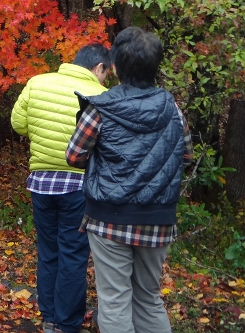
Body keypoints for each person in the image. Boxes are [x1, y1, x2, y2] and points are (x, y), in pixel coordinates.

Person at [66, 27, 193, 333]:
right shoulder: (172, 108)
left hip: (108, 218)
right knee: (149, 298)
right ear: (155, 67)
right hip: (158, 218)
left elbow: (73, 155)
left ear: (116, 66)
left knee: (114, 299)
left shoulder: (101, 107)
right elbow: (186, 157)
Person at [10, 43, 110, 333]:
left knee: (48, 250)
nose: (106, 79)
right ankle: (67, 324)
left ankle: (50, 316)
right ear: (98, 67)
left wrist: (41, 133)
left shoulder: (37, 83)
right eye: (107, 73)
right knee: (73, 253)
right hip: (79, 185)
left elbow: (18, 123)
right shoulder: (102, 97)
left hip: (41, 183)